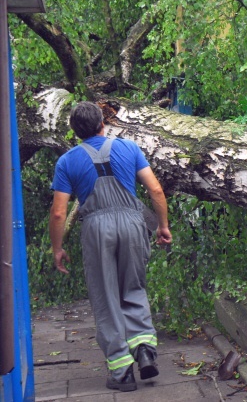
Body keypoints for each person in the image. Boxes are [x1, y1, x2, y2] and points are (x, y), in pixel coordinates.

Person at [48, 101, 172, 392]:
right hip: (132, 224)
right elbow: (155, 189)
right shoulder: (129, 148)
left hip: (96, 228)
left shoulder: (67, 161)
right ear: (102, 123)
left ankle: (121, 372)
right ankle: (143, 349)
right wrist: (163, 225)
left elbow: (58, 212)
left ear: (75, 132)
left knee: (106, 296)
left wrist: (57, 248)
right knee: (134, 287)